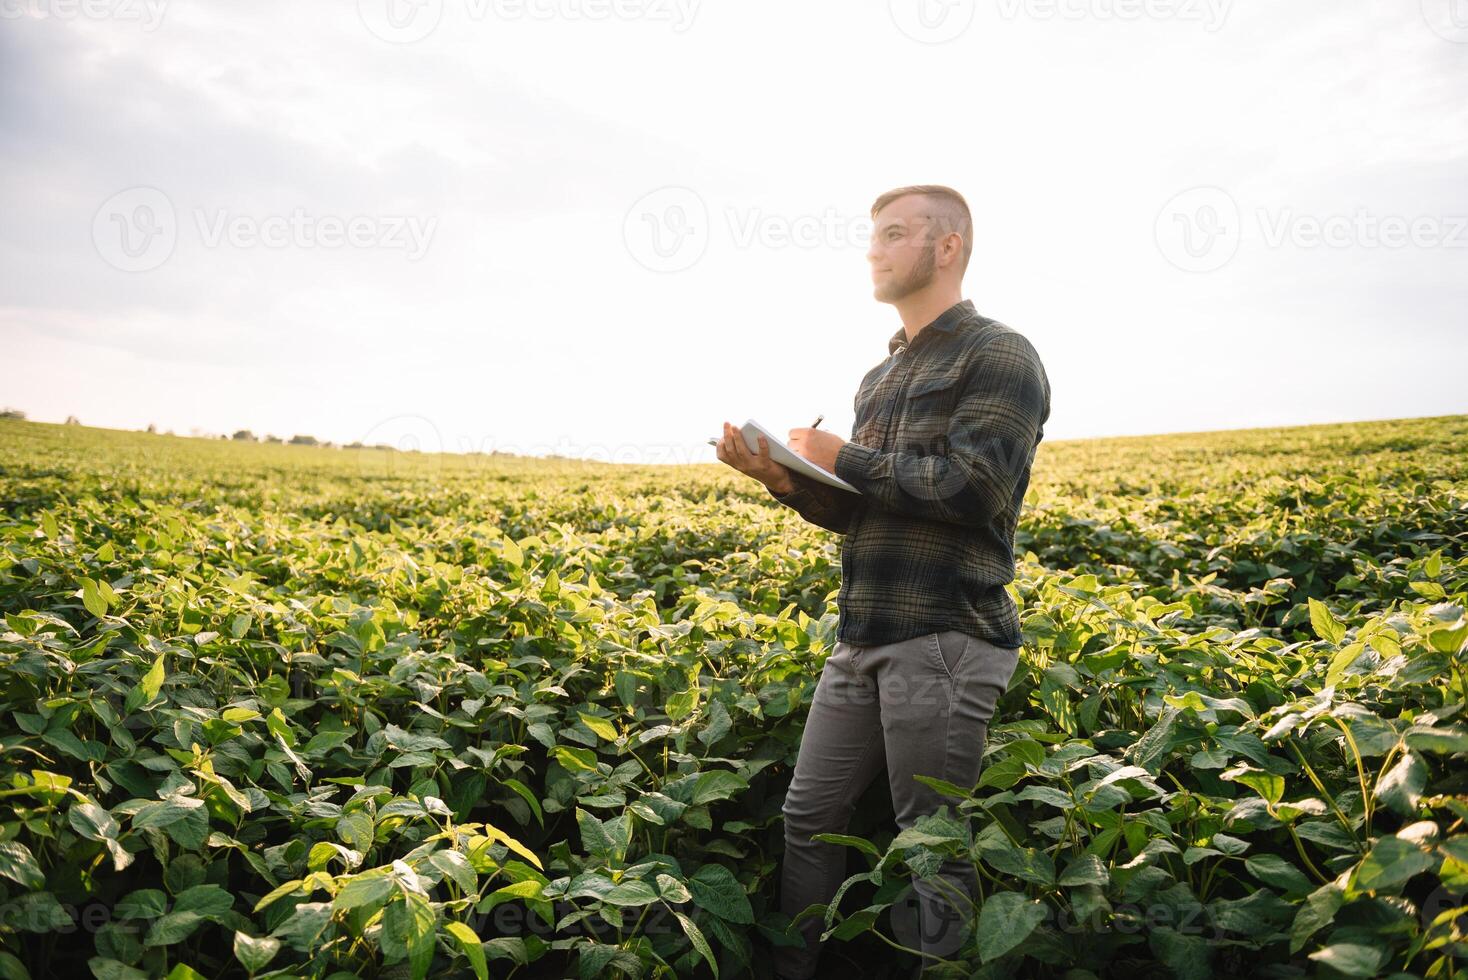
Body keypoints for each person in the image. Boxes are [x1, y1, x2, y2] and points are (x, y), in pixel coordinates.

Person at [713, 184, 1051, 978]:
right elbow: (866, 512)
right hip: (861, 633)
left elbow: (976, 491)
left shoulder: (999, 354)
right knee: (808, 818)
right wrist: (784, 479)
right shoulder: (879, 375)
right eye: (873, 236)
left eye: (895, 234)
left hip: (945, 636)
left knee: (930, 841)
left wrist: (844, 457)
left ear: (948, 248)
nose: (875, 249)